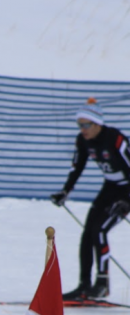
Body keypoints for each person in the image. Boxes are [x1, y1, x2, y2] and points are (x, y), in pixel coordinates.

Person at [52, 98, 130, 300]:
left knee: (100, 230)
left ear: (98, 123)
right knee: (88, 234)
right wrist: (65, 191)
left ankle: (102, 284)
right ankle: (84, 286)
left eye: (86, 125)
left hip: (126, 190)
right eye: (79, 124)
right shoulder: (83, 140)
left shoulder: (115, 138)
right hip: (110, 188)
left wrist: (127, 201)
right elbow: (77, 167)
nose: (82, 129)